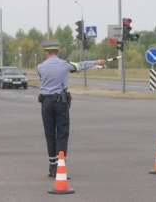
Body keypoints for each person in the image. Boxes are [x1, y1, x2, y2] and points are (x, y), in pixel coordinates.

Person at [37, 40, 107, 178]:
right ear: (58, 52)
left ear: (46, 52)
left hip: (45, 103)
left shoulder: (40, 67)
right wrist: (97, 62)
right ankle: (60, 167)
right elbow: (81, 65)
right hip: (60, 102)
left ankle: (52, 168)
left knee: (50, 134)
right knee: (62, 134)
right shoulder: (65, 65)